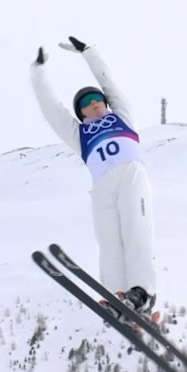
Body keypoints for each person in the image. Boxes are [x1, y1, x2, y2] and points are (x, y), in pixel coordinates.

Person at [30, 36, 159, 324]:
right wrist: (38, 73)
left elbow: (109, 82)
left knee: (136, 231)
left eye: (98, 98)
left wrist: (89, 52)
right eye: (87, 102)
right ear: (81, 112)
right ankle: (118, 297)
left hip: (130, 175)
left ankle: (143, 292)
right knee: (109, 243)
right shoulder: (79, 134)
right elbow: (52, 110)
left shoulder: (122, 116)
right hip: (102, 186)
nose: (96, 103)